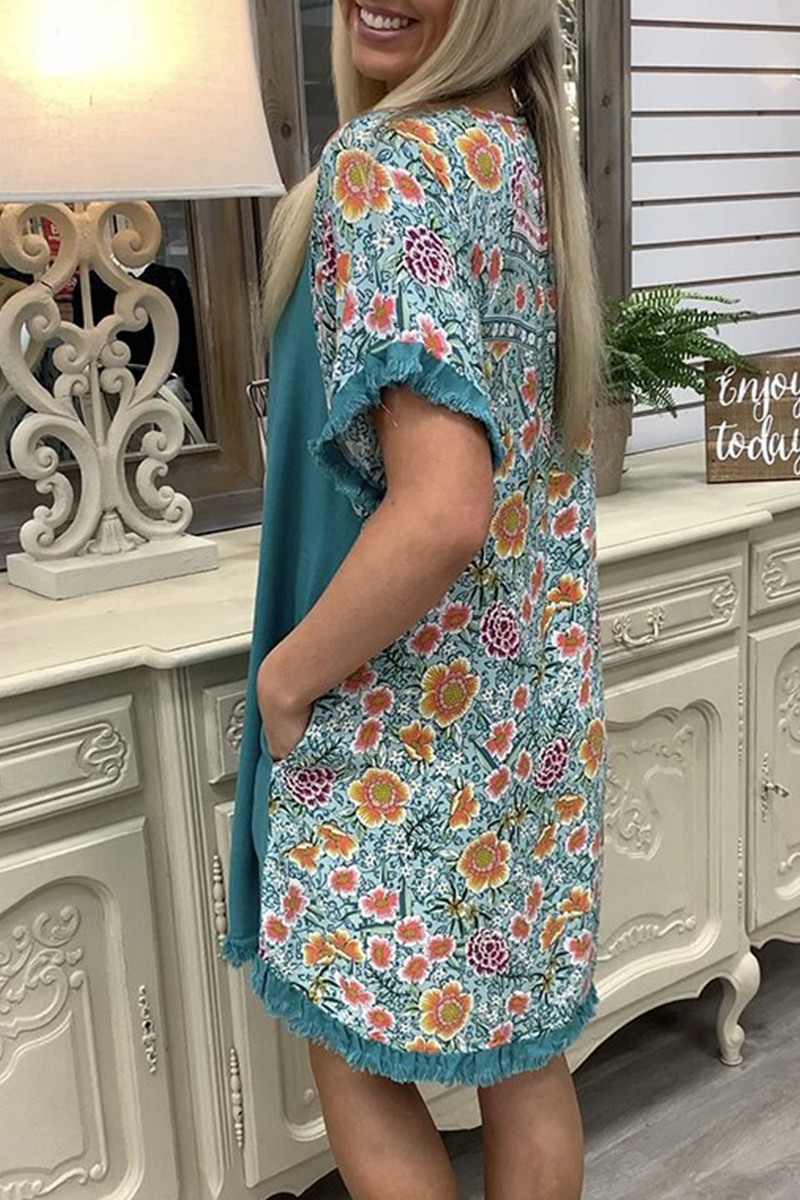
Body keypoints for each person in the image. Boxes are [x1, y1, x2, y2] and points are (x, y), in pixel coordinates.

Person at [222, 1, 608, 1197]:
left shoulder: (386, 164)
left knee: (351, 1059)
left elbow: (441, 510)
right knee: (523, 1059)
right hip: (527, 712)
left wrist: (286, 681)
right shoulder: (516, 156)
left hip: (397, 711)